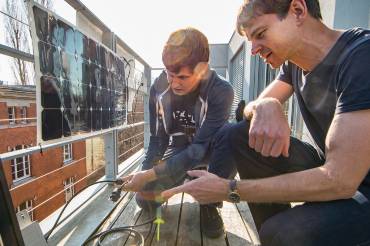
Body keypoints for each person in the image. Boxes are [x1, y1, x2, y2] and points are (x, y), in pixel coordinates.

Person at [162, 1, 370, 245]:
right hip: (332, 167)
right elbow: (251, 110)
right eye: (250, 40)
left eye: (260, 34)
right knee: (236, 135)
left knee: (281, 234)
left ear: (298, 10)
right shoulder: (294, 65)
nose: (253, 50)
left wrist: (229, 189)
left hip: (353, 184)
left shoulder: (361, 57)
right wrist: (266, 105)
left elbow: (341, 180)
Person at [120, 27, 235, 238]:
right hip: (180, 148)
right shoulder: (158, 88)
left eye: (182, 77)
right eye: (169, 74)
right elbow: (157, 139)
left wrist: (148, 174)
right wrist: (144, 178)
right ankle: (187, 177)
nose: (174, 83)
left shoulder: (221, 90)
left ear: (202, 70)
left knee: (231, 134)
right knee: (144, 199)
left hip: (210, 150)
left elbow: (199, 150)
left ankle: (210, 203)